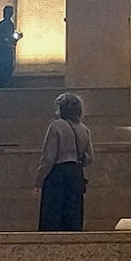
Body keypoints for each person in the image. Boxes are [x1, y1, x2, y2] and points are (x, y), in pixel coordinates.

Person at [35, 92, 94, 231]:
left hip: (57, 176)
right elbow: (90, 157)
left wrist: (39, 181)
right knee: (73, 218)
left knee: (52, 219)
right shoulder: (84, 129)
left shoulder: (56, 126)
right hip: (76, 175)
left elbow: (48, 158)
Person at [0, 5, 18, 88]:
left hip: (0, 51)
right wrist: (15, 39)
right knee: (5, 69)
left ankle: (1, 84)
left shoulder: (0, 25)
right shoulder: (8, 25)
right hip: (5, 51)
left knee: (1, 70)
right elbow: (7, 38)